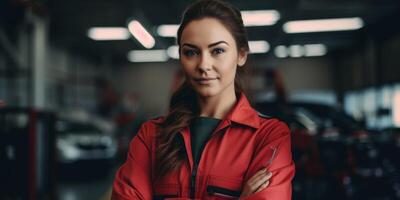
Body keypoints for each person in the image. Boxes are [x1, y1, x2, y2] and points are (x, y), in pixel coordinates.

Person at [111, 0, 295, 199]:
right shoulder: (151, 136)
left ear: (241, 55)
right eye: (191, 52)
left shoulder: (269, 137)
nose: (204, 65)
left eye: (217, 51)